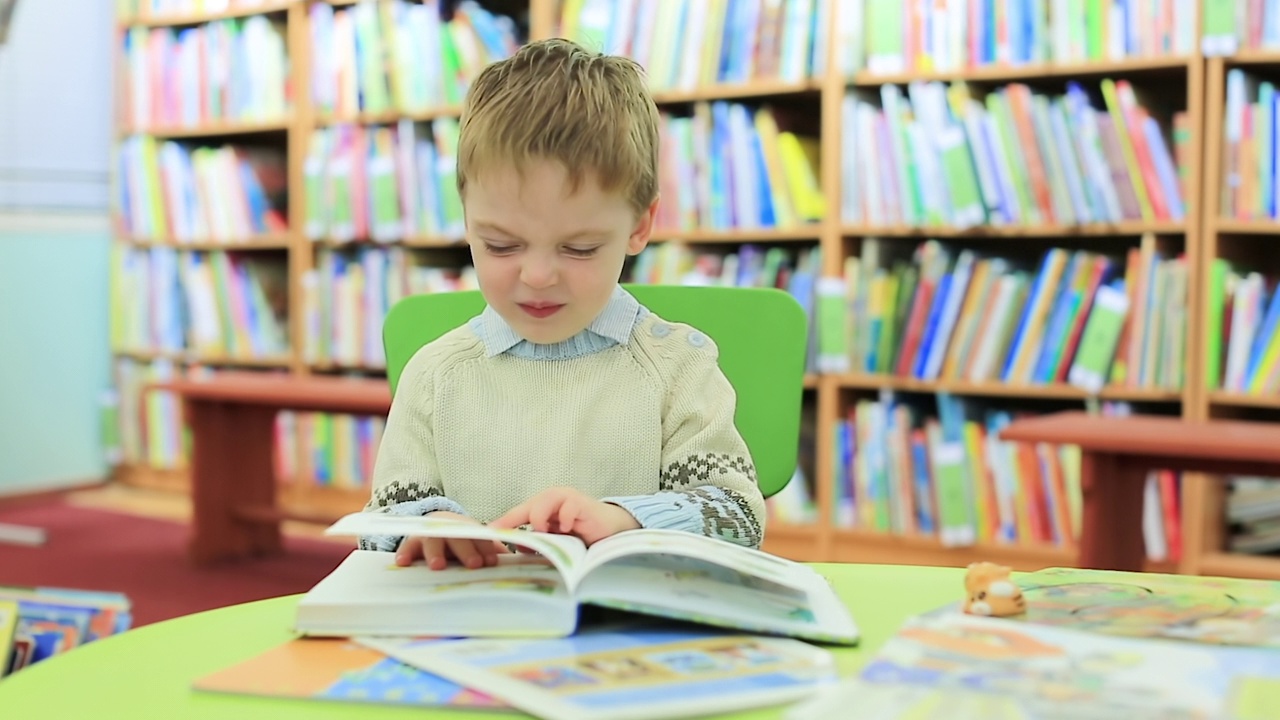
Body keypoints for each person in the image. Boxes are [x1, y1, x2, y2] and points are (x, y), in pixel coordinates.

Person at [358, 38, 765, 570]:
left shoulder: (678, 367)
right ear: (466, 221)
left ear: (639, 227)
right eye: (501, 245)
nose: (538, 276)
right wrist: (428, 526)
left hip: (631, 633)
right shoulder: (436, 376)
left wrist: (624, 519)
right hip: (471, 634)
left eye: (579, 248)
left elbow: (737, 515)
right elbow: (378, 525)